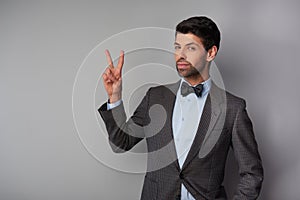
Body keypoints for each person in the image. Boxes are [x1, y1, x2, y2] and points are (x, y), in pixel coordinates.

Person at [98, 16, 263, 200]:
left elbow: (252, 173)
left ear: (211, 53)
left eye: (190, 48)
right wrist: (115, 97)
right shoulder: (155, 97)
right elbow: (120, 143)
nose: (180, 55)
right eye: (177, 47)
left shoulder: (233, 108)